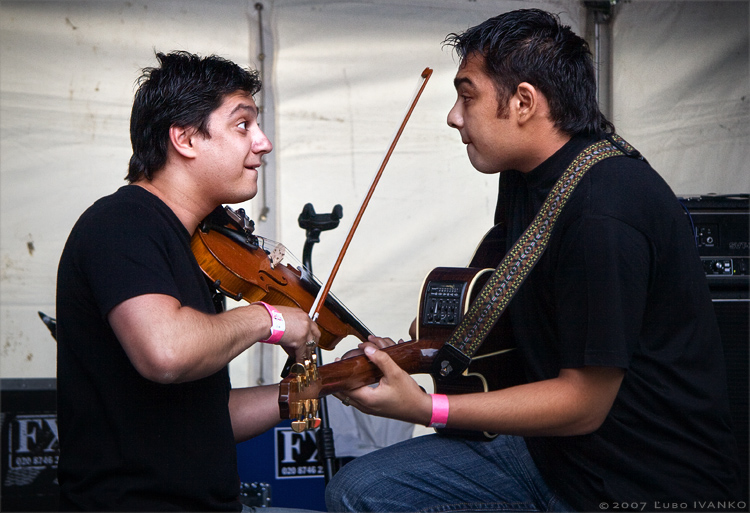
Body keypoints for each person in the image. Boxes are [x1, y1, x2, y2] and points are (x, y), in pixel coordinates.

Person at [325, 9, 742, 512]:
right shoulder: (529, 174)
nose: (454, 116)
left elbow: (584, 404)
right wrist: (420, 349)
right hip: (554, 456)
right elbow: (506, 306)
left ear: (524, 102)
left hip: (634, 482)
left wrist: (428, 407)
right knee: (361, 489)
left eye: (467, 96)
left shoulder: (603, 212)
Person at [56, 51, 322, 511]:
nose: (263, 143)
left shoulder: (196, 247)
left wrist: (326, 385)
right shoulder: (121, 222)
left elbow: (207, 418)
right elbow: (167, 353)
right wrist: (272, 319)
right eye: (243, 125)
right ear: (184, 139)